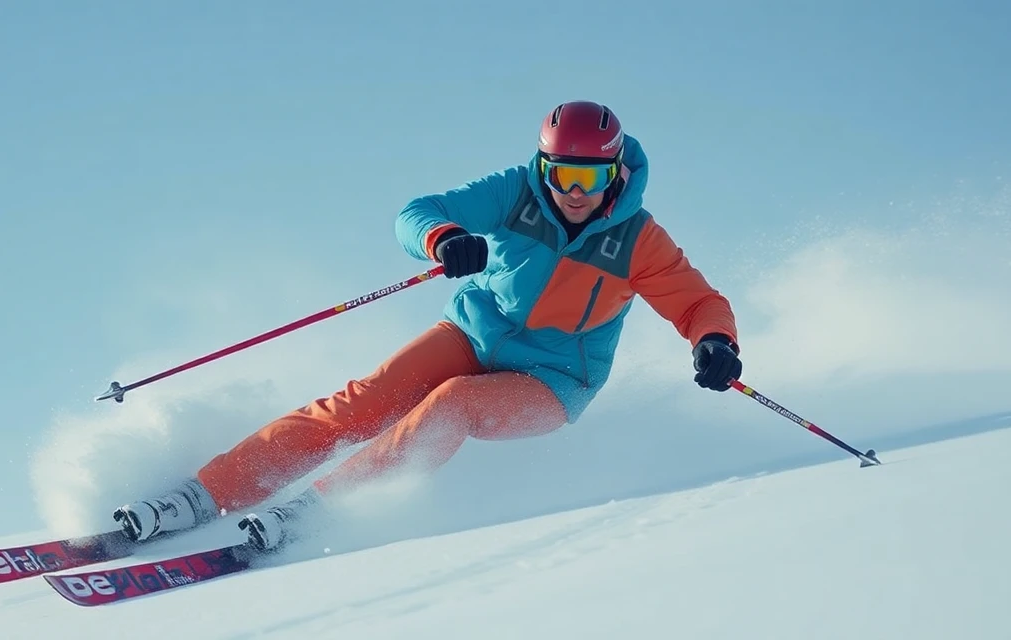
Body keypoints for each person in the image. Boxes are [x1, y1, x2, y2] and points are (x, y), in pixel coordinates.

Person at [112, 100, 744, 551]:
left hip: (555, 381)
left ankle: (317, 511)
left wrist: (716, 342)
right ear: (543, 166)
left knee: (453, 405)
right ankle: (203, 495)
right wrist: (443, 238)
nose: (575, 193)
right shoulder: (517, 193)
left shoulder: (639, 241)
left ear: (616, 173)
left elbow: (698, 303)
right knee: (363, 401)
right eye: (562, 175)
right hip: (475, 334)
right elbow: (419, 212)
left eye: (592, 178)